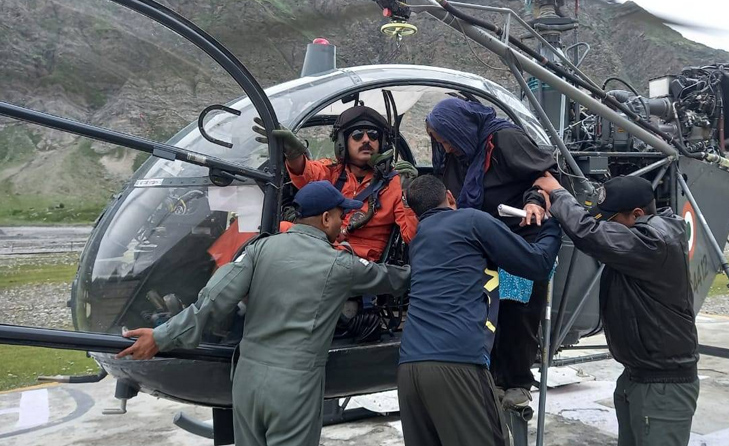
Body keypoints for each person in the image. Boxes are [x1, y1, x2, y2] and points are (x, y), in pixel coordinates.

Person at [117, 181, 410, 446]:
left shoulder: (259, 249)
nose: (342, 223)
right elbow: (393, 279)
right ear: (325, 218)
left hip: (247, 380)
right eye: (339, 216)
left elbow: (212, 302)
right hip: (293, 388)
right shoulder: (340, 264)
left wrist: (160, 336)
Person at [533, 173, 699, 446]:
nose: (608, 227)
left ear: (637, 214)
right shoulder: (643, 238)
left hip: (663, 385)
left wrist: (560, 194)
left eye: (612, 221)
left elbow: (592, 235)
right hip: (637, 376)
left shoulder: (655, 242)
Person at [397, 175, 561, 446]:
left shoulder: (419, 241)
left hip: (409, 370)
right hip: (458, 365)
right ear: (450, 196)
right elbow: (538, 263)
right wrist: (553, 223)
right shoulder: (471, 220)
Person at [425, 97, 558, 408]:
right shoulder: (458, 154)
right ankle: (487, 377)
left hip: (517, 239)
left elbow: (545, 178)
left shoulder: (503, 140)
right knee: (484, 313)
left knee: (515, 311)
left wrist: (534, 201)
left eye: (447, 140)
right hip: (480, 245)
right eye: (440, 142)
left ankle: (517, 381)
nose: (445, 148)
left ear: (460, 128)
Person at [255, 106, 417, 262]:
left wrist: (408, 194)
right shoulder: (332, 171)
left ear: (382, 143)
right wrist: (294, 154)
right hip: (322, 250)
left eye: (374, 135)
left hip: (358, 265)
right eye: (358, 135)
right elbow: (305, 174)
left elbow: (411, 235)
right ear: (342, 142)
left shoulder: (395, 182)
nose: (367, 140)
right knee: (281, 228)